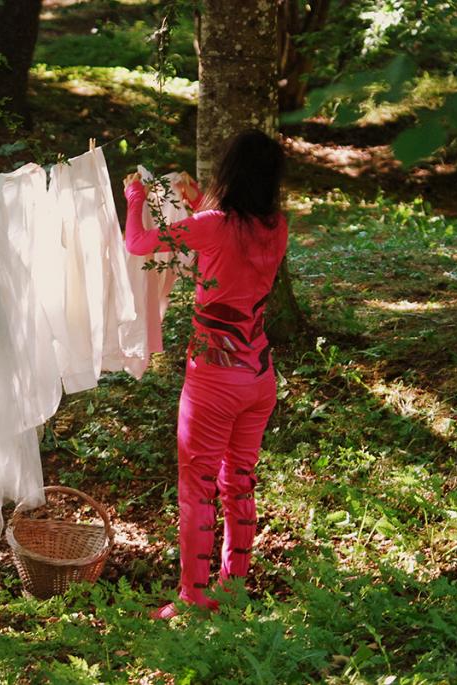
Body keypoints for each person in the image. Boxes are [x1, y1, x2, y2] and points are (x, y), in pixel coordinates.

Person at [122, 129, 288, 619]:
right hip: (259, 377)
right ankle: (232, 588)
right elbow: (222, 238)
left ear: (230, 172)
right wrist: (197, 203)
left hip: (213, 380)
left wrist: (135, 197)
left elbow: (137, 244)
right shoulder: (276, 225)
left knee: (197, 487)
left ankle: (193, 597)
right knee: (239, 480)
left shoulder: (211, 225)